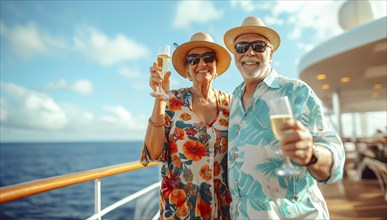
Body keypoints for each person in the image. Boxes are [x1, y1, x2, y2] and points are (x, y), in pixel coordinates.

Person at [223, 16, 345, 219]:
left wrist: (311, 154)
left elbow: (335, 157)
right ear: (235, 54)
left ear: (271, 53)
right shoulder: (234, 98)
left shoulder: (296, 91)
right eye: (242, 46)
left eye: (259, 46)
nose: (249, 52)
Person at [140, 32, 232, 219]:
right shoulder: (172, 100)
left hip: (221, 210)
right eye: (193, 60)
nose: (201, 64)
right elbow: (154, 152)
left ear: (216, 66)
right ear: (187, 70)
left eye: (208, 58)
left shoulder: (230, 103)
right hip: (180, 210)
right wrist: (160, 98)